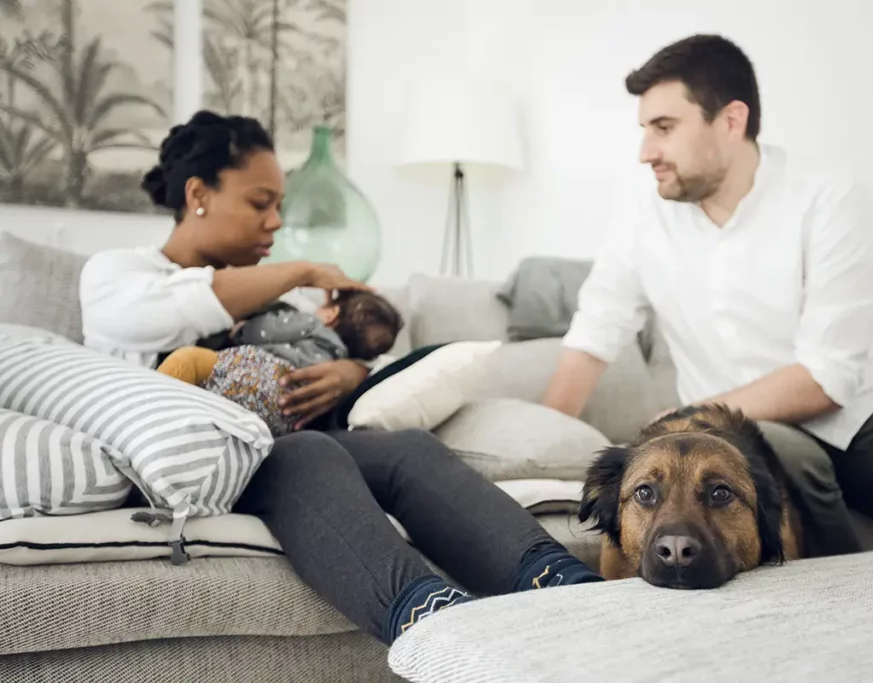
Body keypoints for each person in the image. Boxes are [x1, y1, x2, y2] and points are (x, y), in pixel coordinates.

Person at [79, 110, 601, 646]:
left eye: (279, 207)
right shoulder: (117, 274)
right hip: (191, 464)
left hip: (282, 447)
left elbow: (355, 352)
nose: (275, 222)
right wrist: (302, 270)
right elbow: (179, 308)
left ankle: (571, 591)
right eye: (260, 203)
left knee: (408, 450)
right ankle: (439, 629)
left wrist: (348, 372)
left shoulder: (279, 303)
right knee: (308, 450)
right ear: (198, 194)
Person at [542, 34, 873, 555]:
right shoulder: (642, 216)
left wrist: (692, 410)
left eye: (664, 128)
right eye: (645, 131)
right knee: (786, 460)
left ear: (731, 121)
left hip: (862, 416)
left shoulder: (826, 196)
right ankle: (840, 596)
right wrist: (542, 446)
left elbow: (827, 376)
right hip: (741, 436)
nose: (646, 152)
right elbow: (594, 332)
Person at [156, 289, 404, 435]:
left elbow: (265, 330)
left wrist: (242, 330)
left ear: (331, 314)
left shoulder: (311, 323)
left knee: (188, 361)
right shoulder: (335, 374)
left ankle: (149, 420)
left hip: (263, 375)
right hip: (285, 414)